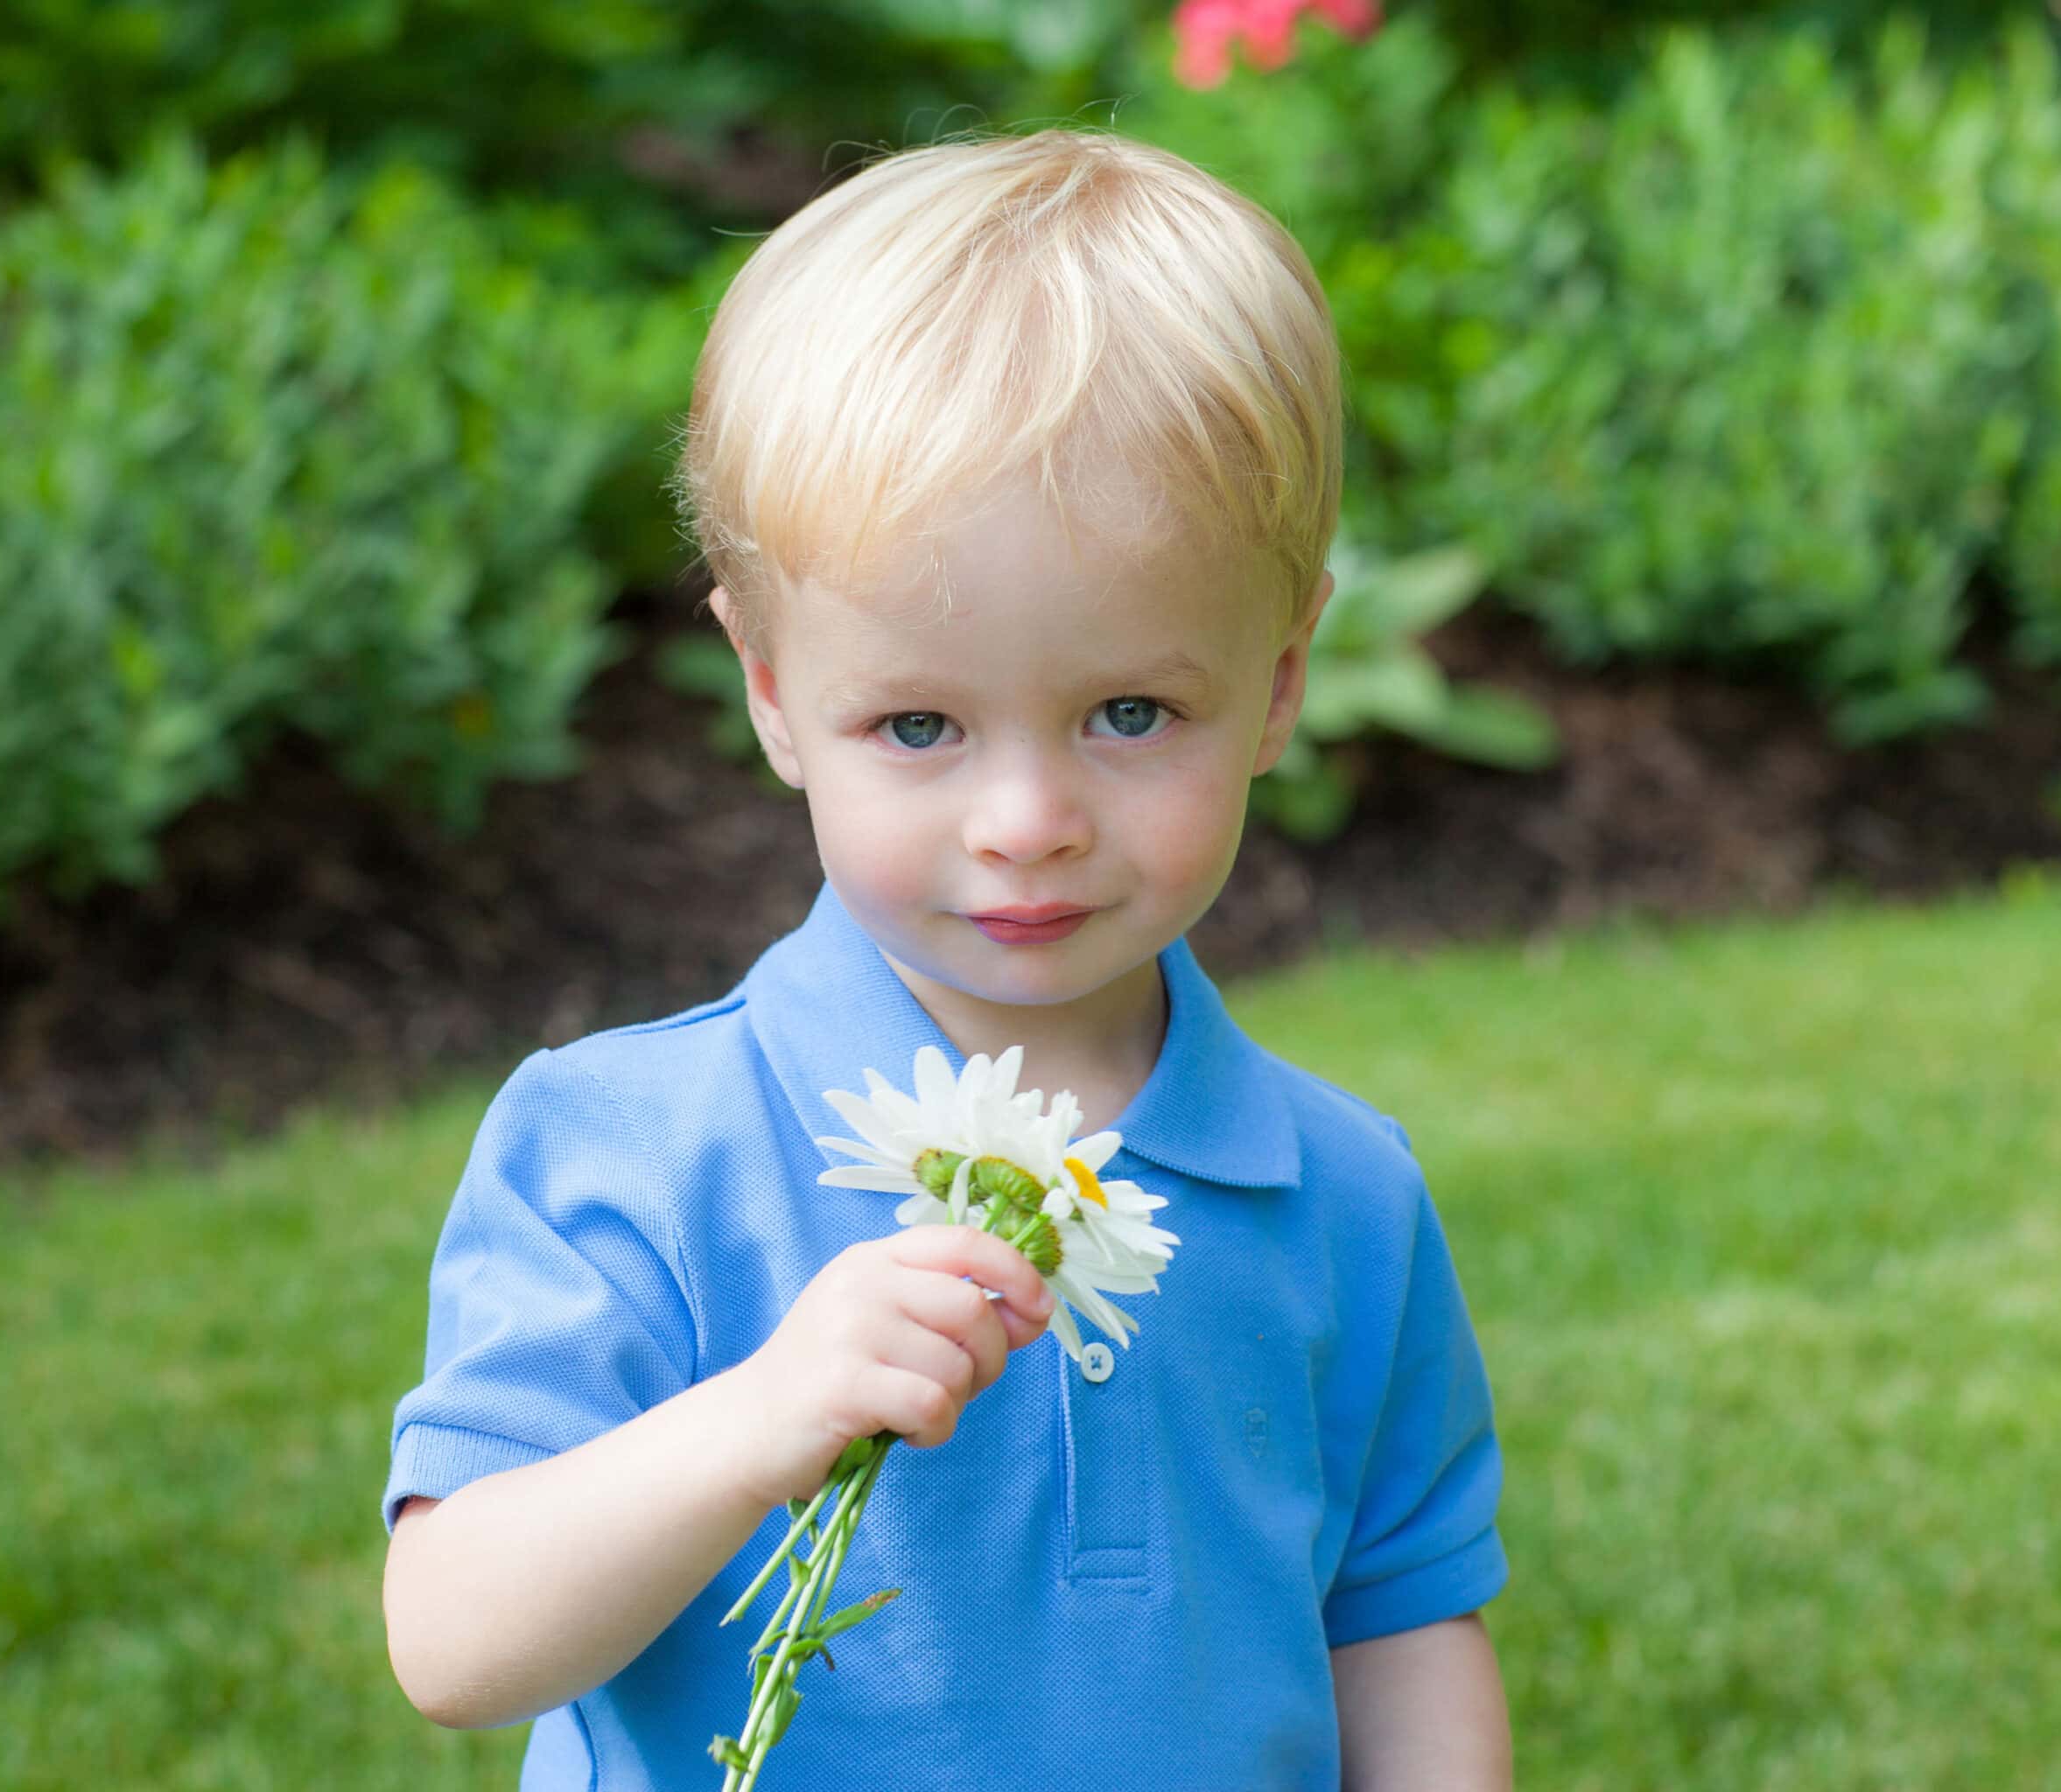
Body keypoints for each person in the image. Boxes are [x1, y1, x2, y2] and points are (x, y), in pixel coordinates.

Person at [381, 125, 1511, 1790]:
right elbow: (455, 1642)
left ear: (1278, 685)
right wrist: (759, 1417)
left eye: (1132, 712)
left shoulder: (1339, 1194)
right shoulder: (627, 1144)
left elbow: (1398, 1630)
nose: (1029, 817)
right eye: (918, 723)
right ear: (771, 690)